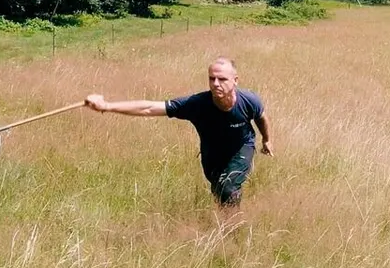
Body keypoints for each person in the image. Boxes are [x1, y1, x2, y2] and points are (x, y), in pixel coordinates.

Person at [84, 57, 271, 207]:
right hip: (212, 152)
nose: (215, 83)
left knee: (228, 187)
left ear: (235, 81)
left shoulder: (249, 100)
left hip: (241, 146)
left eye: (222, 79)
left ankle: (232, 231)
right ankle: (225, 218)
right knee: (218, 189)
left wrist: (266, 140)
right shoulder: (196, 104)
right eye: (211, 78)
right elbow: (149, 107)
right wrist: (106, 106)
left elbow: (261, 118)